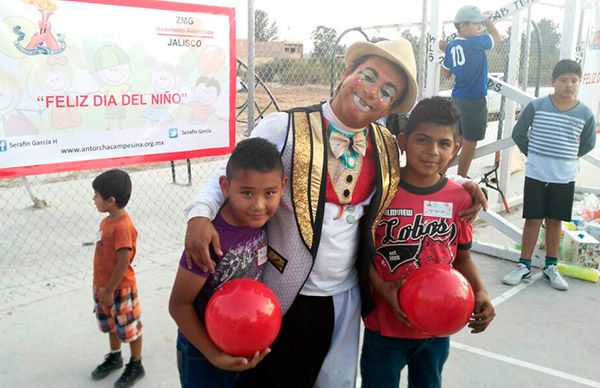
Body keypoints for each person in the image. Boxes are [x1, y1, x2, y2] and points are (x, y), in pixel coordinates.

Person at [183, 39, 486, 388]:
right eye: (369, 76)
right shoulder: (284, 127)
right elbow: (230, 169)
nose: (373, 93)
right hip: (287, 290)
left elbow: (418, 170)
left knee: (336, 382)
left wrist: (463, 182)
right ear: (347, 73)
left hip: (347, 294)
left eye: (387, 90)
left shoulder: (385, 142)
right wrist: (199, 215)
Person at [360, 96, 495, 388]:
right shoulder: (380, 192)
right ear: (404, 141)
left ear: (456, 148)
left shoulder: (460, 199)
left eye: (444, 144)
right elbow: (360, 251)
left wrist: (481, 292)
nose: (432, 151)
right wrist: (383, 289)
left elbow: (462, 258)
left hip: (437, 329)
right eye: (423, 140)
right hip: (384, 327)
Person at [169, 138, 287, 388]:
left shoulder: (267, 220)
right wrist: (213, 355)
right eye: (246, 193)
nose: (258, 205)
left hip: (249, 347)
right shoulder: (209, 240)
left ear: (283, 187)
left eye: (269, 193)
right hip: (203, 353)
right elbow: (179, 305)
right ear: (225, 186)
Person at [502, 59, 596, 291]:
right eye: (563, 80)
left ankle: (550, 267)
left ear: (579, 83)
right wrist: (534, 154)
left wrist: (567, 157)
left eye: (574, 80)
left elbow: (588, 143)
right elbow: (519, 133)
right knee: (533, 219)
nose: (569, 85)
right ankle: (523, 265)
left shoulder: (585, 113)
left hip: (564, 177)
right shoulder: (537, 106)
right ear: (553, 82)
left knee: (555, 222)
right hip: (536, 174)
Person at [90, 169, 145, 387]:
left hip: (119, 288)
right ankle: (115, 356)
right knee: (111, 324)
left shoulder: (122, 226)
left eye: (96, 195)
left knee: (129, 327)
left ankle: (136, 363)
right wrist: (102, 288)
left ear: (110, 201)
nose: (93, 199)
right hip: (103, 286)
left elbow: (123, 262)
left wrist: (110, 290)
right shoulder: (107, 221)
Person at [441, 5, 501, 177]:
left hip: (457, 98)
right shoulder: (477, 42)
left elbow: (446, 73)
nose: (479, 27)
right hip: (474, 100)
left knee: (456, 140)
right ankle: (461, 177)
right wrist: (488, 21)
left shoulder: (452, 46)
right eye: (475, 23)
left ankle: (439, 174)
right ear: (462, 26)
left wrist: (445, 50)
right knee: (470, 141)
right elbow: (497, 37)